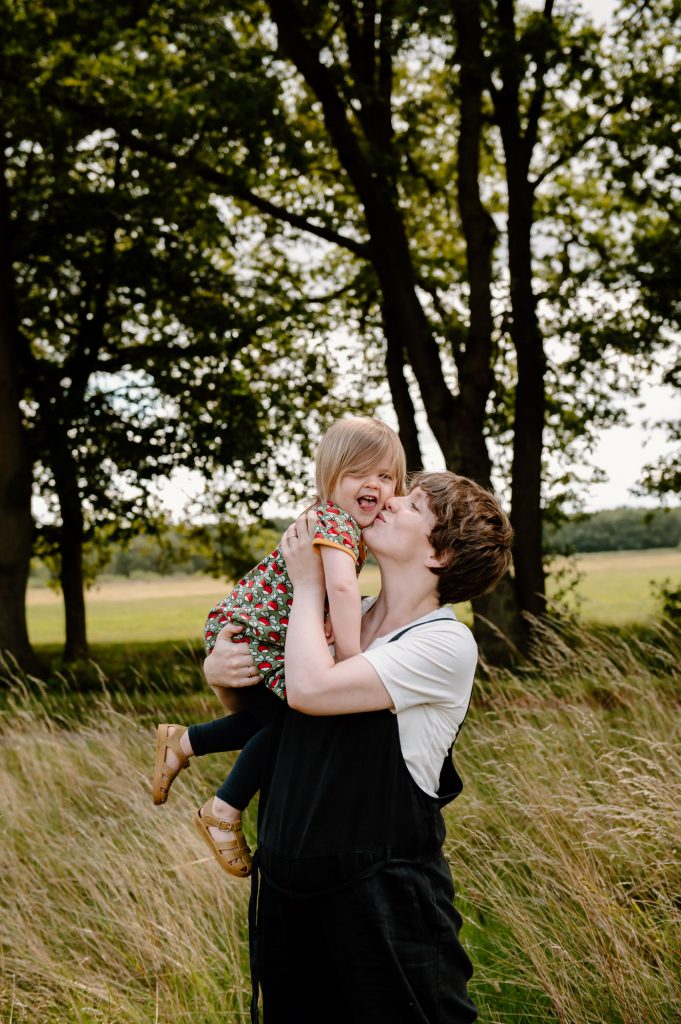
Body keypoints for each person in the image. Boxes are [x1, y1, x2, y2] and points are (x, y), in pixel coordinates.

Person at [205, 470, 514, 1023]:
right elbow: (272, 716)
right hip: (286, 896)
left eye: (414, 505)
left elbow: (309, 690)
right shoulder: (342, 614)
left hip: (381, 907)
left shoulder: (443, 643)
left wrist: (306, 583)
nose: (391, 501)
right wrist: (223, 673)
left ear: (440, 554)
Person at [151, 416, 406, 877]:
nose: (374, 484)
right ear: (330, 479)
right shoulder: (335, 523)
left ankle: (184, 741)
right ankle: (224, 810)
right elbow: (344, 592)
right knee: (292, 723)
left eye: (385, 476)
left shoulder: (336, 524)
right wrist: (352, 658)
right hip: (256, 633)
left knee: (272, 721)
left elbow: (330, 594)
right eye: (358, 473)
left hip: (256, 628)